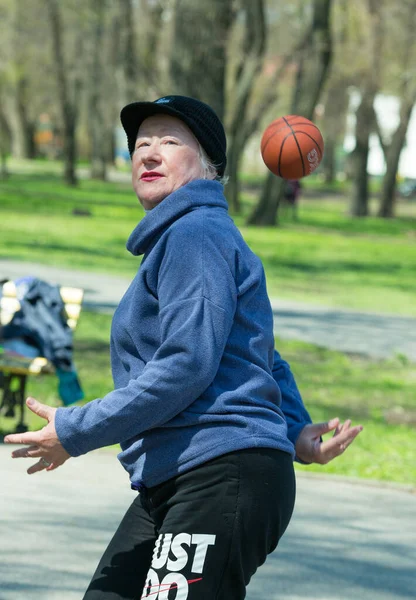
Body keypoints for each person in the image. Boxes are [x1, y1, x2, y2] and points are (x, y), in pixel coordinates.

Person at [4, 95, 362, 600]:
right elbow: (258, 350)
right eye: (141, 144)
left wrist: (77, 429)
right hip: (176, 477)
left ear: (210, 168)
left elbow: (186, 365)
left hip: (219, 473)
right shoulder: (189, 238)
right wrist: (294, 427)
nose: (149, 153)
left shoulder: (194, 234)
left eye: (170, 142)